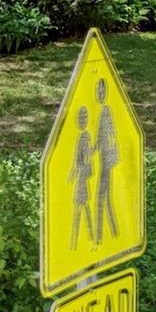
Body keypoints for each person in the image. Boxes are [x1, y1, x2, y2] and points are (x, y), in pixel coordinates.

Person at [95, 79, 121, 240]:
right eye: (98, 91)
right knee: (105, 197)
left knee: (100, 196)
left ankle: (99, 237)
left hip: (107, 160)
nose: (99, 94)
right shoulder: (101, 111)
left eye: (101, 91)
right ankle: (114, 232)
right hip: (104, 159)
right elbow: (100, 140)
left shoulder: (106, 111)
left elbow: (111, 134)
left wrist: (112, 154)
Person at [70, 105, 97, 247]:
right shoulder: (81, 136)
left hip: (82, 178)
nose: (81, 121)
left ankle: (79, 242)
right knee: (82, 208)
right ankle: (85, 241)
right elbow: (77, 159)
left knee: (81, 208)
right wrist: (72, 174)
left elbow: (86, 156)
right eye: (80, 118)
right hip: (80, 176)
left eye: (84, 118)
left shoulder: (85, 136)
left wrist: (79, 172)